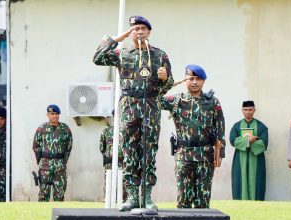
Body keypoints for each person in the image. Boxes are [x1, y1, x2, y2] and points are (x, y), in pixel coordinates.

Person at [93, 15, 174, 211]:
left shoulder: (159, 55)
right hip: (129, 106)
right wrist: (117, 38)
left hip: (150, 106)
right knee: (129, 151)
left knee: (148, 151)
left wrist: (165, 79)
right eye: (135, 29)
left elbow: (169, 85)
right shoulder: (122, 53)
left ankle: (146, 196)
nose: (139, 32)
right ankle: (131, 197)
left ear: (149, 32)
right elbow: (97, 58)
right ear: (131, 32)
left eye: (142, 29)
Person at [161, 64, 225, 208]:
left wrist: (220, 152)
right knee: (183, 199)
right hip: (184, 156)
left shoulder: (213, 102)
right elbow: (155, 98)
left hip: (205, 156)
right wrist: (170, 83)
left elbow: (220, 128)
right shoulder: (176, 100)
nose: (195, 82)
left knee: (203, 200)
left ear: (203, 81)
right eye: (191, 79)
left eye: (198, 79)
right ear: (185, 80)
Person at [229, 101, 268, 201]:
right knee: (239, 181)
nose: (248, 112)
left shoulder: (261, 126)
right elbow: (232, 140)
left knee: (256, 181)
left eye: (250, 110)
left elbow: (264, 143)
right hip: (240, 159)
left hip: (256, 159)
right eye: (245, 110)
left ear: (254, 110)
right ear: (242, 111)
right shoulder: (237, 126)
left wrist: (245, 142)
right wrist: (249, 140)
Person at [33, 105, 73, 201]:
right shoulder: (41, 129)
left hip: (60, 166)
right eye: (52, 114)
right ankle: (43, 215)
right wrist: (41, 160)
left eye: (56, 114)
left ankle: (58, 215)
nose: (54, 116)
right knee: (43, 194)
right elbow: (35, 146)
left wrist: (63, 161)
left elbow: (69, 146)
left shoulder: (65, 129)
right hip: (45, 166)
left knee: (59, 194)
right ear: (48, 115)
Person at [99, 110, 126, 200]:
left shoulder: (127, 130)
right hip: (110, 164)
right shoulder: (107, 131)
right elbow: (102, 147)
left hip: (124, 164)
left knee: (124, 188)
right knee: (109, 186)